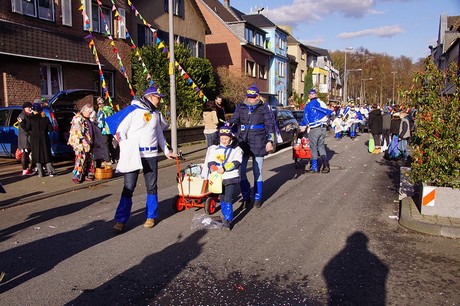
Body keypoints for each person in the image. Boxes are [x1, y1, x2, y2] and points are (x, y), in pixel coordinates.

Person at [113, 85, 176, 233]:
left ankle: (151, 216)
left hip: (151, 155)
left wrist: (166, 151)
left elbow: (160, 134)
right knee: (128, 187)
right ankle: (121, 220)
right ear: (150, 96)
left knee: (152, 186)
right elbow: (121, 131)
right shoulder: (133, 111)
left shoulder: (155, 114)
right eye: (158, 98)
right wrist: (125, 147)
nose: (159, 101)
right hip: (134, 154)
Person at [228, 85, 274, 209]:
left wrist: (270, 141)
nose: (251, 99)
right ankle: (246, 195)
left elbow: (270, 125)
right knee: (241, 171)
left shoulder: (264, 108)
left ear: (258, 96)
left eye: (253, 97)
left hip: (259, 141)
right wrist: (229, 123)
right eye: (249, 97)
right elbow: (235, 119)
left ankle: (258, 197)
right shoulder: (241, 106)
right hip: (243, 142)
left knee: (257, 171)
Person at [203, 126, 243, 230]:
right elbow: (210, 161)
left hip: (230, 177)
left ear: (231, 138)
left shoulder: (236, 149)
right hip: (218, 178)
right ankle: (224, 214)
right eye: (222, 139)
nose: (224, 141)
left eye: (226, 139)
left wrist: (224, 168)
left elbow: (237, 162)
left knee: (228, 197)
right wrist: (213, 167)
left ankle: (228, 219)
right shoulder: (214, 148)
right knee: (222, 197)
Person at [299, 89, 333, 173]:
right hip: (323, 128)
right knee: (321, 146)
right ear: (316, 95)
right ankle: (326, 165)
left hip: (314, 128)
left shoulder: (308, 105)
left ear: (310, 96)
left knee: (313, 147)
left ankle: (314, 167)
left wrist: (302, 125)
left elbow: (306, 118)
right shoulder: (322, 103)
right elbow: (327, 114)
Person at [68, 99, 95, 183]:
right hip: (79, 143)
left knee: (87, 159)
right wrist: (83, 140)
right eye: (89, 113)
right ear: (84, 111)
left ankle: (85, 174)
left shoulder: (86, 118)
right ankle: (76, 176)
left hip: (87, 142)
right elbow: (77, 132)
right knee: (80, 158)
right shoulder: (78, 118)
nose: (90, 114)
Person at [26, 102, 56, 177]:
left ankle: (40, 173)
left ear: (34, 110)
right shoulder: (45, 118)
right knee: (46, 154)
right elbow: (50, 129)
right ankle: (51, 171)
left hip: (34, 138)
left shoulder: (30, 119)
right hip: (44, 137)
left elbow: (27, 128)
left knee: (37, 155)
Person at [96, 97, 118, 163]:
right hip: (111, 129)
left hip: (104, 130)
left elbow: (100, 121)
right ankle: (114, 158)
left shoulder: (101, 110)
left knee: (105, 144)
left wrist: (99, 127)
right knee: (111, 144)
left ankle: (107, 159)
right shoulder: (110, 109)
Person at [17, 102, 35, 175]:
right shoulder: (22, 116)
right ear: (24, 108)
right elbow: (23, 128)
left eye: (31, 107)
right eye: (28, 107)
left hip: (29, 137)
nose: (30, 109)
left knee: (29, 152)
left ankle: (29, 168)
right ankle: (25, 169)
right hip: (25, 137)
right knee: (25, 152)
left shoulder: (29, 115)